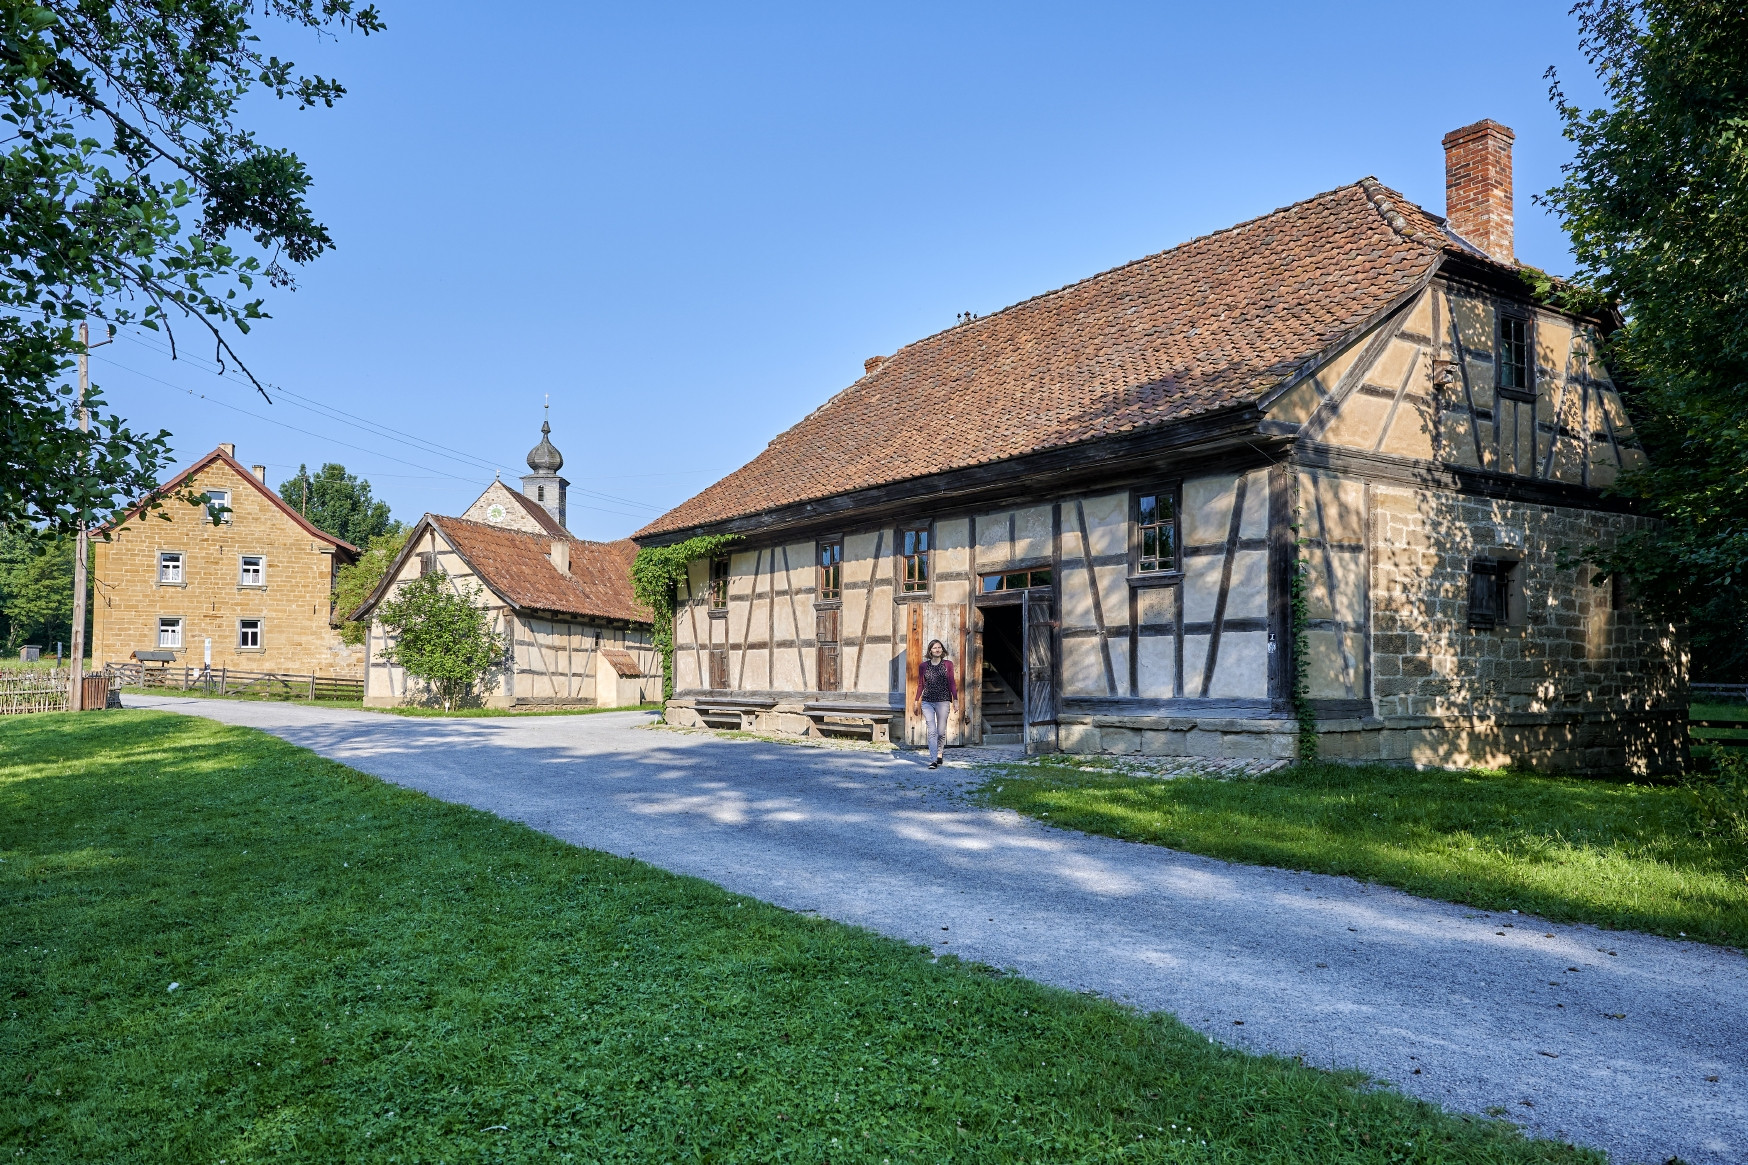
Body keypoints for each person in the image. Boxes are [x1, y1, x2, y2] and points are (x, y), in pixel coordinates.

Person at [915, 638, 957, 768]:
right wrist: (916, 700)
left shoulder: (948, 664)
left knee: (941, 732)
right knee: (932, 731)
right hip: (927, 701)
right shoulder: (923, 666)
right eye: (934, 648)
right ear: (930, 651)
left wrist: (955, 699)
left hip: (943, 701)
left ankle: (939, 753)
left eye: (939, 647)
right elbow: (921, 684)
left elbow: (952, 682)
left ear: (942, 650)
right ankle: (933, 760)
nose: (937, 650)